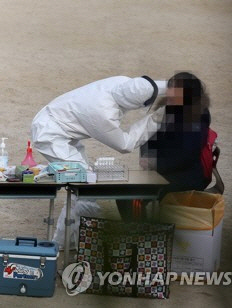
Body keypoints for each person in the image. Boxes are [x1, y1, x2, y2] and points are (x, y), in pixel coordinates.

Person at [31, 76, 167, 248]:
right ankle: (61, 244)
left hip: (61, 121)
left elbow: (149, 87)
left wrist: (181, 88)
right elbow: (125, 145)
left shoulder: (123, 82)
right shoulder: (103, 114)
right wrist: (155, 119)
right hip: (49, 135)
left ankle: (74, 239)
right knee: (82, 186)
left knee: (84, 186)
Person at [117, 72, 212, 221]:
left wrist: (156, 163)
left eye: (174, 89)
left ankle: (140, 237)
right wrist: (147, 157)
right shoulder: (168, 110)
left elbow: (187, 155)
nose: (168, 92)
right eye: (169, 87)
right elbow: (150, 136)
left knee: (130, 197)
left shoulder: (194, 118)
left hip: (183, 177)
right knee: (124, 191)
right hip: (164, 172)